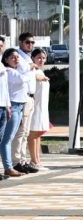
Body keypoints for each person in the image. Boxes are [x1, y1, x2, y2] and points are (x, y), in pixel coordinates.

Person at [2, 48, 34, 178]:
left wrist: (24, 66)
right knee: (7, 139)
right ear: (6, 60)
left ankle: (9, 166)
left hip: (20, 106)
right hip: (14, 106)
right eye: (12, 57)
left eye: (17, 57)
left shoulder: (15, 70)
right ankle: (8, 167)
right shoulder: (9, 71)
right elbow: (23, 79)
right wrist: (30, 69)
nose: (16, 59)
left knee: (12, 137)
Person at [12, 34, 41, 174]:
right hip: (22, 97)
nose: (30, 45)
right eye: (27, 42)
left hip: (30, 97)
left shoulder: (28, 57)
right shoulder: (18, 56)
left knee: (26, 132)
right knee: (20, 131)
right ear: (21, 42)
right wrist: (31, 66)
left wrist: (32, 65)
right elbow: (20, 71)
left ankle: (23, 160)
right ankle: (16, 161)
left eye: (32, 43)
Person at [27, 48, 50, 171]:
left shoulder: (40, 71)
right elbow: (30, 72)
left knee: (39, 133)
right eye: (39, 58)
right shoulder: (32, 71)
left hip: (43, 107)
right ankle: (33, 161)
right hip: (34, 107)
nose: (41, 60)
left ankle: (37, 160)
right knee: (33, 134)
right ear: (33, 58)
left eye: (43, 58)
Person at [0, 46, 9, 181]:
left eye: (2, 45)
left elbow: (5, 87)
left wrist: (8, 105)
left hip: (2, 106)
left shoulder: (1, 63)